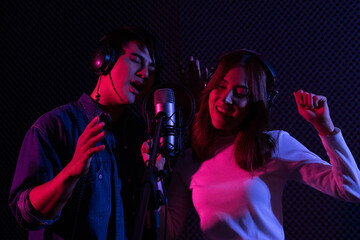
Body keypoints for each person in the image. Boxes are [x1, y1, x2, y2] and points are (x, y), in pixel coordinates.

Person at [142, 49, 360, 239]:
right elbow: (165, 234)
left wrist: (326, 128)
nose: (225, 99)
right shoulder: (190, 158)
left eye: (239, 93)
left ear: (258, 104)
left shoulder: (274, 145)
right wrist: (157, 176)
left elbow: (352, 190)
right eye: (220, 86)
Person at [9, 26, 163, 239]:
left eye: (152, 68)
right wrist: (71, 172)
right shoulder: (53, 126)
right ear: (104, 58)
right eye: (137, 59)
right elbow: (25, 214)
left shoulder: (142, 137)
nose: (145, 73)